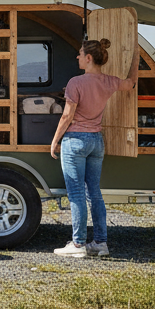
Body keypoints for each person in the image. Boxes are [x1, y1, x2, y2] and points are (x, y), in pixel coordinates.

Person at [49, 36, 139, 258]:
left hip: (75, 141)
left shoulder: (76, 82)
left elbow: (67, 116)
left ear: (88, 58)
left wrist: (55, 140)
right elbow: (130, 83)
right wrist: (136, 56)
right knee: (94, 193)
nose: (77, 57)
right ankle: (100, 243)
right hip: (96, 141)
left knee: (76, 193)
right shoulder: (109, 81)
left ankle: (78, 244)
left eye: (80, 54)